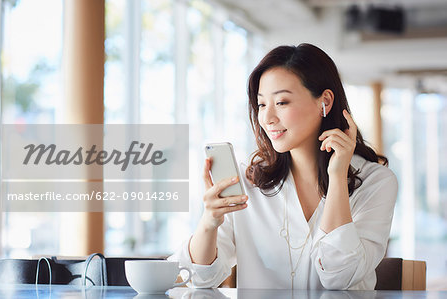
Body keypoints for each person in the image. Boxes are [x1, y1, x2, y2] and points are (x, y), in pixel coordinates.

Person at [168, 43, 398, 290]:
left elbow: (339, 278)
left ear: (325, 102)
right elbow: (201, 279)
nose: (267, 118)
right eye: (262, 104)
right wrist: (209, 220)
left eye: (282, 102)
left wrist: (338, 175)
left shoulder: (375, 182)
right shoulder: (248, 182)